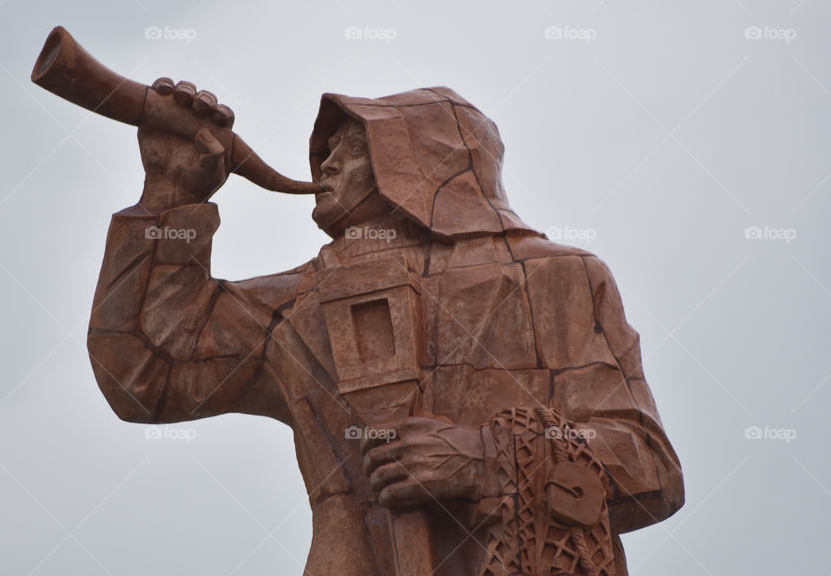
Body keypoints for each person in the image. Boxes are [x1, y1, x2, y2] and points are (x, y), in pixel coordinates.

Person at [87, 80, 684, 576]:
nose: (328, 162)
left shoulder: (558, 278)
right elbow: (145, 374)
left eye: (356, 144)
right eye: (328, 149)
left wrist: (486, 459)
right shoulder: (303, 300)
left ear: (422, 161)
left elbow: (651, 468)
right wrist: (170, 194)